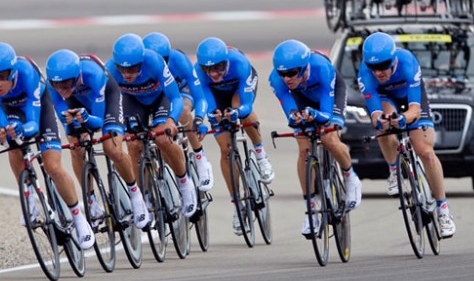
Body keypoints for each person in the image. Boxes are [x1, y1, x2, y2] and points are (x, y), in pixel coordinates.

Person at [0, 42, 94, 249]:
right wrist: (3, 133)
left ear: (13, 72)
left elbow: (33, 123)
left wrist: (22, 129)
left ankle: (79, 219)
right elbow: (1, 126)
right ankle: (28, 194)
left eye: (3, 76)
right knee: (14, 144)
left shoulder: (27, 73)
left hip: (39, 109)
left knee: (53, 166)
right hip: (13, 111)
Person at [358, 32, 456, 238]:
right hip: (386, 98)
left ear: (393, 59)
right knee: (383, 125)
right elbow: (375, 112)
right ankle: (394, 170)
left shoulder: (408, 62)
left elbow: (414, 110)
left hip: (411, 99)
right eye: (374, 67)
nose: (379, 72)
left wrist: (404, 119)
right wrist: (381, 120)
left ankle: (443, 210)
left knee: (425, 151)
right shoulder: (365, 74)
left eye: (384, 65)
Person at [45, 49, 150, 229]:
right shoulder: (53, 87)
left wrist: (85, 119)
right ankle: (91, 201)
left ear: (77, 76)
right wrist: (68, 121)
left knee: (112, 148)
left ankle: (135, 195)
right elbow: (64, 119)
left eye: (67, 83)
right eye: (57, 84)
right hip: (77, 103)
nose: (62, 89)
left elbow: (98, 123)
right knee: (76, 148)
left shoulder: (94, 75)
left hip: (106, 99)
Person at [269, 39, 362, 237]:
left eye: (292, 73)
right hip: (302, 100)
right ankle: (310, 210)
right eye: (282, 73)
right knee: (304, 149)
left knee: (329, 139)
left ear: (304, 68)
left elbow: (327, 115)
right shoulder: (276, 80)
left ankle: (350, 177)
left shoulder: (321, 68)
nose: (286, 78)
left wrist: (317, 116)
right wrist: (297, 118)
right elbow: (290, 112)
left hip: (330, 95)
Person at [105, 33, 198, 218]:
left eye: (133, 68)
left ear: (142, 60)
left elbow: (175, 97)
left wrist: (171, 120)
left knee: (162, 138)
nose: (127, 74)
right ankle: (143, 195)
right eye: (122, 70)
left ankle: (184, 183)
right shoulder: (109, 70)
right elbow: (107, 106)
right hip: (133, 101)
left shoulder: (154, 61)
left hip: (159, 99)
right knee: (133, 144)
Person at [194, 36, 274, 236]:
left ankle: (260, 154)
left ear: (227, 62)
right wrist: (213, 114)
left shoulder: (239, 63)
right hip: (215, 96)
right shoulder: (199, 73)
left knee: (242, 110)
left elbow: (246, 103)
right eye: (209, 70)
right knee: (226, 150)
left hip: (239, 91)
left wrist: (237, 113)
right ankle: (237, 205)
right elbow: (206, 102)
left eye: (219, 68)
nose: (214, 73)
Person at [142, 32, 214, 191]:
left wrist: (199, 119)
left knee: (182, 110)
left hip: (182, 91)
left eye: (163, 60)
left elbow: (200, 97)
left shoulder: (179, 60)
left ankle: (200, 157)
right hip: (160, 96)